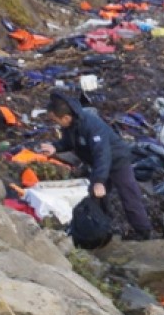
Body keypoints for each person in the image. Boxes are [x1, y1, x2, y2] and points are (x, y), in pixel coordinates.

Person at [37, 90, 153, 240]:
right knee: (96, 196)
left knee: (128, 194)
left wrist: (99, 181)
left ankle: (143, 231)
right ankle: (102, 228)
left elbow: (102, 154)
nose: (55, 123)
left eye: (55, 120)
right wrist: (55, 147)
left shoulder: (91, 126)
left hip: (117, 160)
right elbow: (68, 142)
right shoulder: (70, 125)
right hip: (98, 163)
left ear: (65, 117)